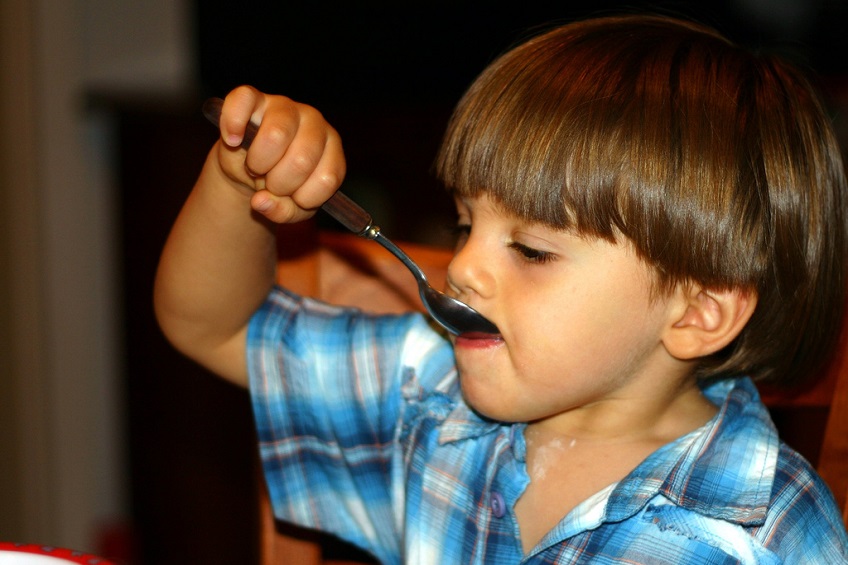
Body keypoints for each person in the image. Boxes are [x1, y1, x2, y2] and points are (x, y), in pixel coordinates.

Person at [154, 13, 848, 564]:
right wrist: (234, 182)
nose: (463, 267)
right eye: (464, 223)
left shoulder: (767, 530)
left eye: (532, 249)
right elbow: (213, 325)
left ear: (698, 311)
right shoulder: (432, 396)